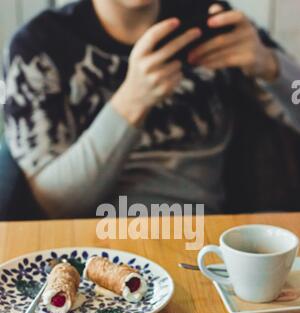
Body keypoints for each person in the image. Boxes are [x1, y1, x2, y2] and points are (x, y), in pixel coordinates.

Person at [3, 0, 300, 218]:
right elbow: (55, 204)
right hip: (89, 240)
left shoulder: (213, 22)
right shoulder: (37, 47)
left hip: (202, 234)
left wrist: (272, 67)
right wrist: (132, 100)